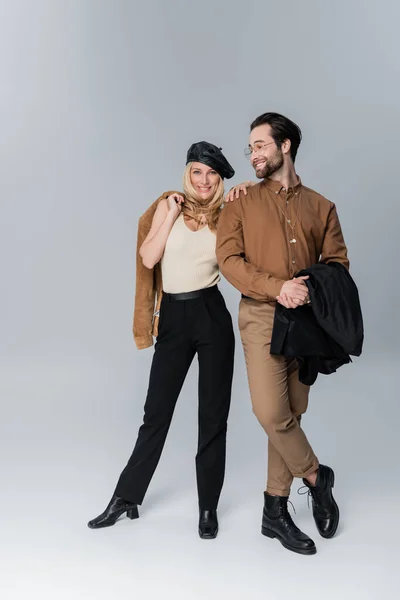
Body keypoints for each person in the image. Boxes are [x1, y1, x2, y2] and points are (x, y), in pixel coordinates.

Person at [88, 142, 249, 539]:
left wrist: (246, 194)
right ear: (187, 174)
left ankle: (208, 507)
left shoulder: (229, 214)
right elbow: (148, 257)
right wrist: (173, 213)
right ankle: (127, 497)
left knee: (213, 417)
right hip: (174, 317)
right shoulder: (168, 205)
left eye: (213, 174)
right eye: (198, 172)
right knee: (155, 413)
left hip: (212, 316)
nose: (205, 181)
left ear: (221, 179)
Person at [216, 112, 349, 555]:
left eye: (260, 145)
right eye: (250, 147)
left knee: (293, 410)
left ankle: (274, 510)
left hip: (308, 324)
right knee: (271, 412)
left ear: (285, 145)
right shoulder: (240, 203)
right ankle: (317, 476)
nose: (252, 154)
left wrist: (309, 291)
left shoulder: (321, 206)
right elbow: (229, 261)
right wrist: (279, 289)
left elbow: (337, 266)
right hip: (260, 317)